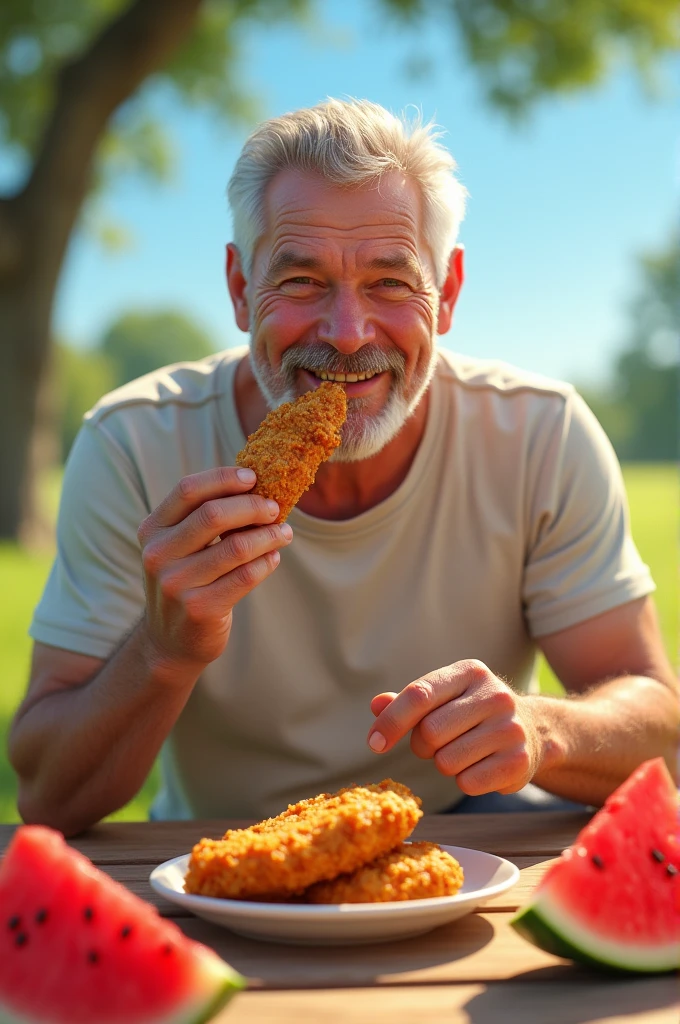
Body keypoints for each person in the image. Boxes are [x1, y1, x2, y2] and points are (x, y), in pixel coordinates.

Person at [10, 99, 678, 837]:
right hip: (220, 850)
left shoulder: (539, 434)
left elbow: (664, 736)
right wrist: (163, 651)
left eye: (391, 283)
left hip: (466, 835)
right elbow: (46, 795)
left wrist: (548, 729)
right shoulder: (133, 446)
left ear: (447, 293)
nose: (348, 335)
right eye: (301, 282)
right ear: (239, 289)